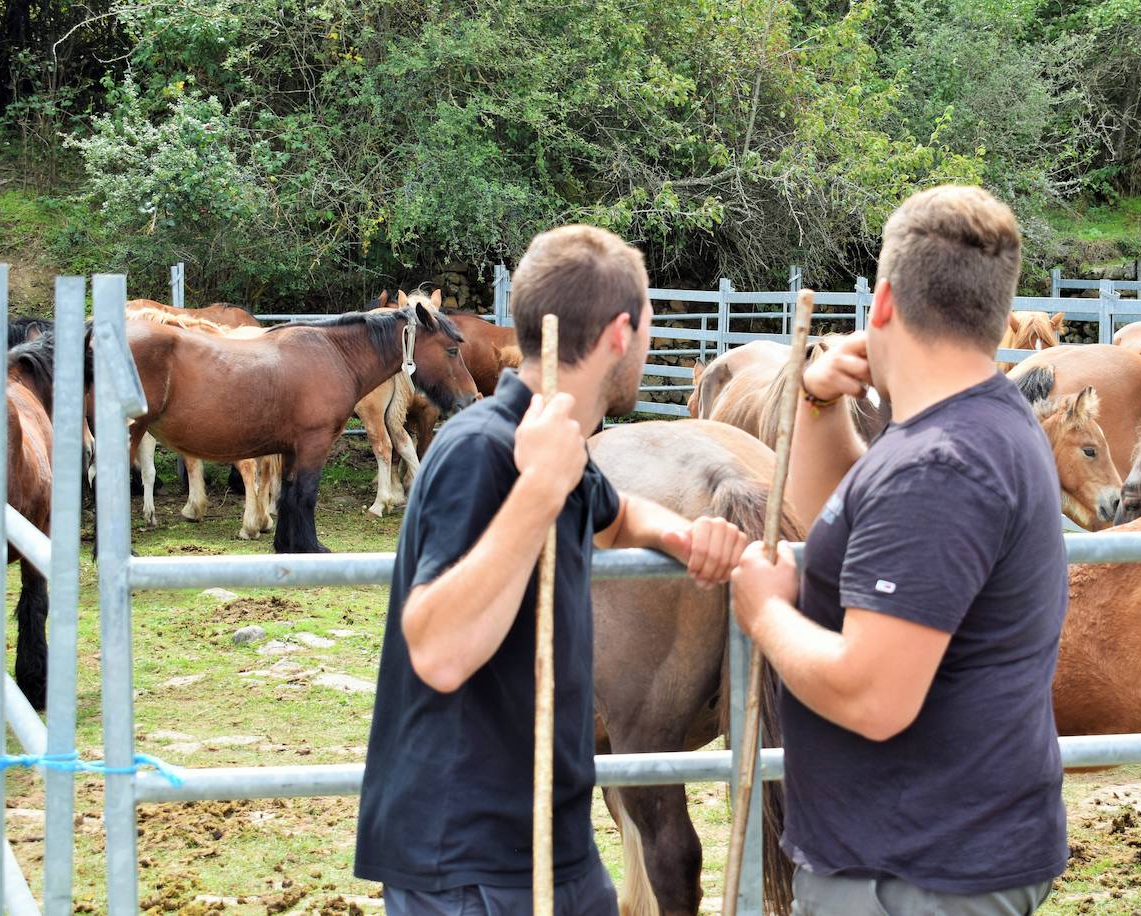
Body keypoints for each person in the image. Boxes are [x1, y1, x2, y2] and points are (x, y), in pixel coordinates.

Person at [355, 224, 749, 915]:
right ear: (621, 335)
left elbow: (619, 518)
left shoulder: (560, 445)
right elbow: (438, 649)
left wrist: (690, 537)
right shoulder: (480, 450)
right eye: (650, 326)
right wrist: (536, 493)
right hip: (469, 867)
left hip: (554, 847)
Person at [731, 185, 1069, 915]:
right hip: (933, 857)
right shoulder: (974, 423)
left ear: (881, 303)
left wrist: (763, 613)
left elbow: (874, 696)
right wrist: (819, 405)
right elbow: (852, 524)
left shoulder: (940, 466)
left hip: (914, 876)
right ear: (997, 315)